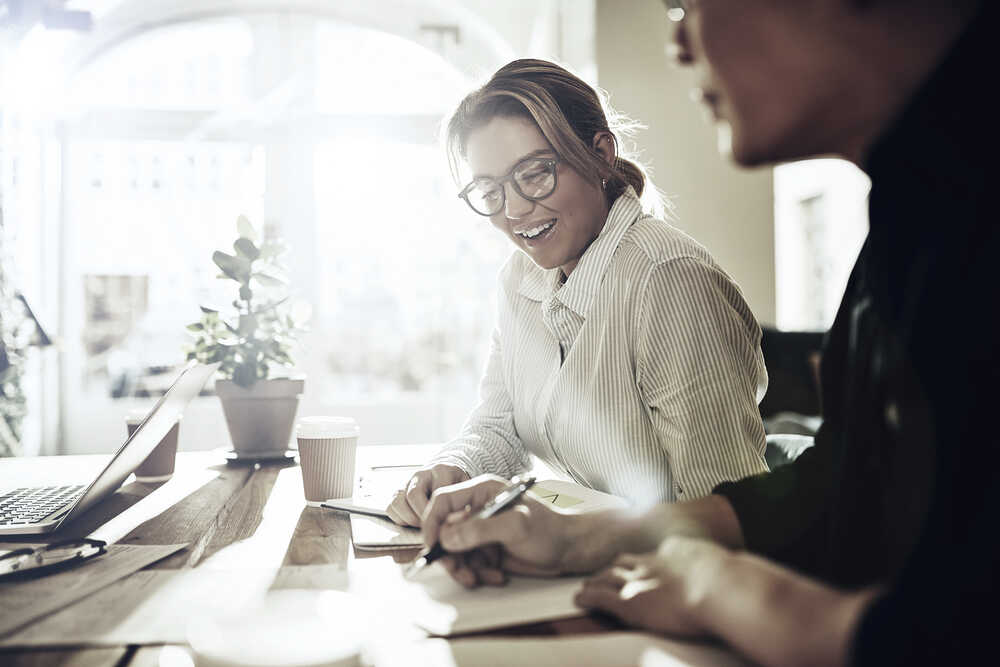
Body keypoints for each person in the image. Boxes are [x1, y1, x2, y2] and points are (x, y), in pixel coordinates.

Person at [421, 1, 999, 664]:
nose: (677, 42)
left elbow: (957, 629)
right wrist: (572, 538)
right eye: (491, 188)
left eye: (689, 3)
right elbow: (835, 489)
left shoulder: (670, 276)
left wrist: (712, 580)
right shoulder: (912, 218)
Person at [386, 59, 769, 527]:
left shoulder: (667, 278)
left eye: (535, 173)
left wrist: (576, 541)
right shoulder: (518, 279)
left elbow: (729, 507)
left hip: (667, 579)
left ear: (601, 154)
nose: (516, 210)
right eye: (490, 189)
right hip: (586, 563)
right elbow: (500, 424)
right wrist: (453, 469)